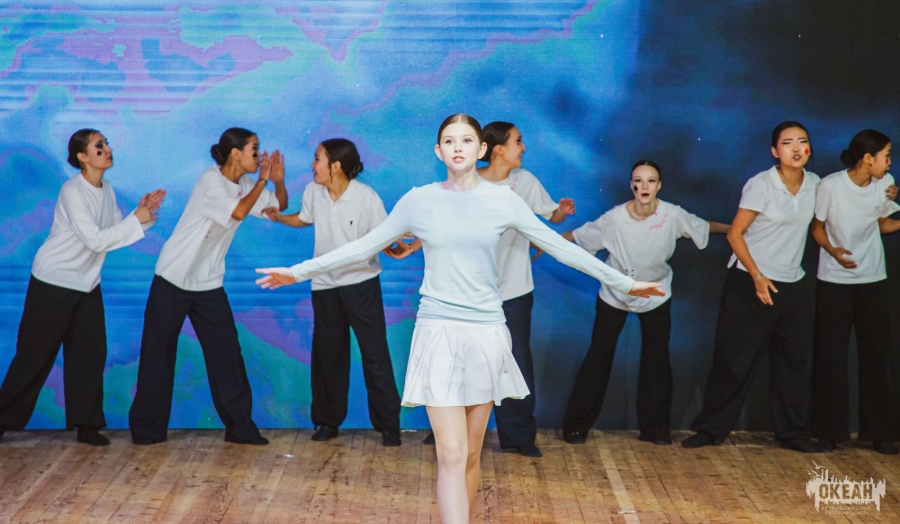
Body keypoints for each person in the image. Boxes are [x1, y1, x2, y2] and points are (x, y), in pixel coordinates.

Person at [256, 113, 664, 524]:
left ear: (481, 149)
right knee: (450, 454)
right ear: (439, 151)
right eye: (449, 141)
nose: (457, 147)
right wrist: (298, 272)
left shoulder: (504, 200)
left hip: (486, 335)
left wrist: (625, 284)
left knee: (469, 455)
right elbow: (361, 247)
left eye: (466, 140)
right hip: (438, 333)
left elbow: (562, 248)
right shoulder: (419, 200)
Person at [413, 121, 575, 457]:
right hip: (469, 296)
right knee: (456, 362)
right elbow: (442, 229)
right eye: (518, 141)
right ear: (497, 149)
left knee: (514, 362)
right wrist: (412, 245)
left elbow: (549, 221)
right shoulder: (467, 184)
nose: (523, 147)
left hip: (513, 291)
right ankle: (447, 431)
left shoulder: (523, 183)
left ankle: (519, 436)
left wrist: (560, 212)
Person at [0, 129, 164, 446]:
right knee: (34, 357)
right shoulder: (72, 192)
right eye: (99, 146)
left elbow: (115, 232)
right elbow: (95, 240)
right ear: (82, 157)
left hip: (87, 283)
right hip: (54, 281)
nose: (107, 149)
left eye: (107, 144)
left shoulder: (107, 189)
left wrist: (140, 215)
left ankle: (87, 424)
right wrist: (135, 220)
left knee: (89, 354)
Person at [129, 127, 287, 446]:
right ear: (235, 154)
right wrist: (261, 181)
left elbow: (277, 207)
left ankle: (240, 428)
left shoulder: (245, 185)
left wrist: (278, 181)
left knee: (227, 354)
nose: (259, 156)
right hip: (173, 277)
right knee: (158, 354)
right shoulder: (210, 181)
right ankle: (147, 430)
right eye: (254, 149)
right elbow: (238, 211)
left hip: (208, 282)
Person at [561, 159, 729, 446]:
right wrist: (542, 242)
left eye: (650, 181)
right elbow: (577, 235)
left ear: (659, 185)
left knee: (656, 360)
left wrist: (738, 228)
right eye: (638, 181)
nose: (644, 186)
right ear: (632, 185)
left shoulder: (672, 215)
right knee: (599, 356)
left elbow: (704, 226)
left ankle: (656, 430)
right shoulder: (615, 218)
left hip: (655, 294)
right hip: (615, 293)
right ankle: (576, 427)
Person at [681, 121, 823, 453]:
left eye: (802, 141)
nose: (796, 148)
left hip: (793, 284)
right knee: (734, 360)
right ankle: (710, 430)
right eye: (787, 143)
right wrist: (758, 276)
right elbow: (735, 233)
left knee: (794, 364)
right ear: (775, 151)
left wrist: (885, 192)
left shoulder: (816, 184)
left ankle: (793, 434)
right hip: (751, 281)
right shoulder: (761, 184)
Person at [263, 138, 403, 446]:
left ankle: (389, 426)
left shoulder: (366, 197)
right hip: (324, 286)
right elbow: (304, 218)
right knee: (327, 356)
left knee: (375, 354)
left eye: (318, 159)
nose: (312, 165)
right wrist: (280, 217)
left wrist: (393, 245)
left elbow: (386, 235)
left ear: (336, 166)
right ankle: (327, 422)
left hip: (361, 285)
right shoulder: (313, 191)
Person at [810, 129, 900, 454]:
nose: (889, 162)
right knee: (830, 355)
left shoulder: (884, 184)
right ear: (867, 158)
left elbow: (882, 224)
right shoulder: (830, 186)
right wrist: (833, 250)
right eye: (886, 156)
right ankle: (827, 432)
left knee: (877, 355)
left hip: (872, 279)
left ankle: (881, 432)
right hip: (834, 280)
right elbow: (817, 228)